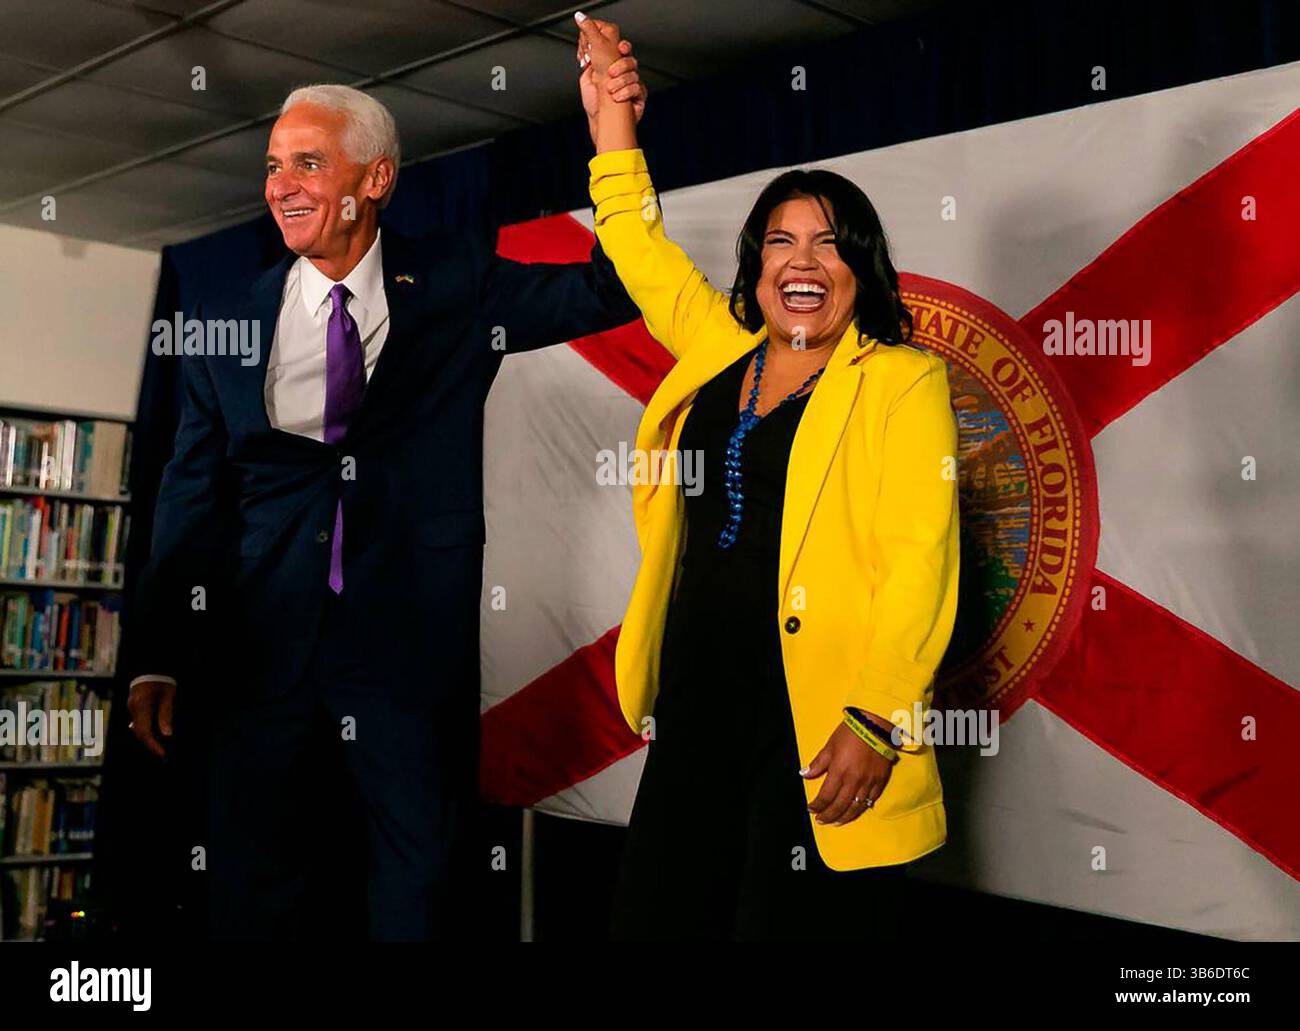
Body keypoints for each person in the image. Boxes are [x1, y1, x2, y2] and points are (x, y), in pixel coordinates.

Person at [125, 26, 648, 941]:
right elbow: (189, 495)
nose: (281, 183)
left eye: (309, 162)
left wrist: (613, 135)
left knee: (417, 898)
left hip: (408, 661)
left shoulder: (456, 285)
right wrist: (161, 649)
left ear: (376, 180)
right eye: (273, 164)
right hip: (257, 659)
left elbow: (614, 289)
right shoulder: (224, 318)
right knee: (253, 897)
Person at [576, 15, 961, 939]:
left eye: (828, 243)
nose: (802, 260)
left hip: (820, 723)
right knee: (657, 921)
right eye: (781, 242)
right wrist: (613, 126)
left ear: (859, 271)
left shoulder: (904, 381)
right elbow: (638, 245)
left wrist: (877, 719)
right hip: (695, 700)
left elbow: (921, 560)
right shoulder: (721, 350)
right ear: (755, 268)